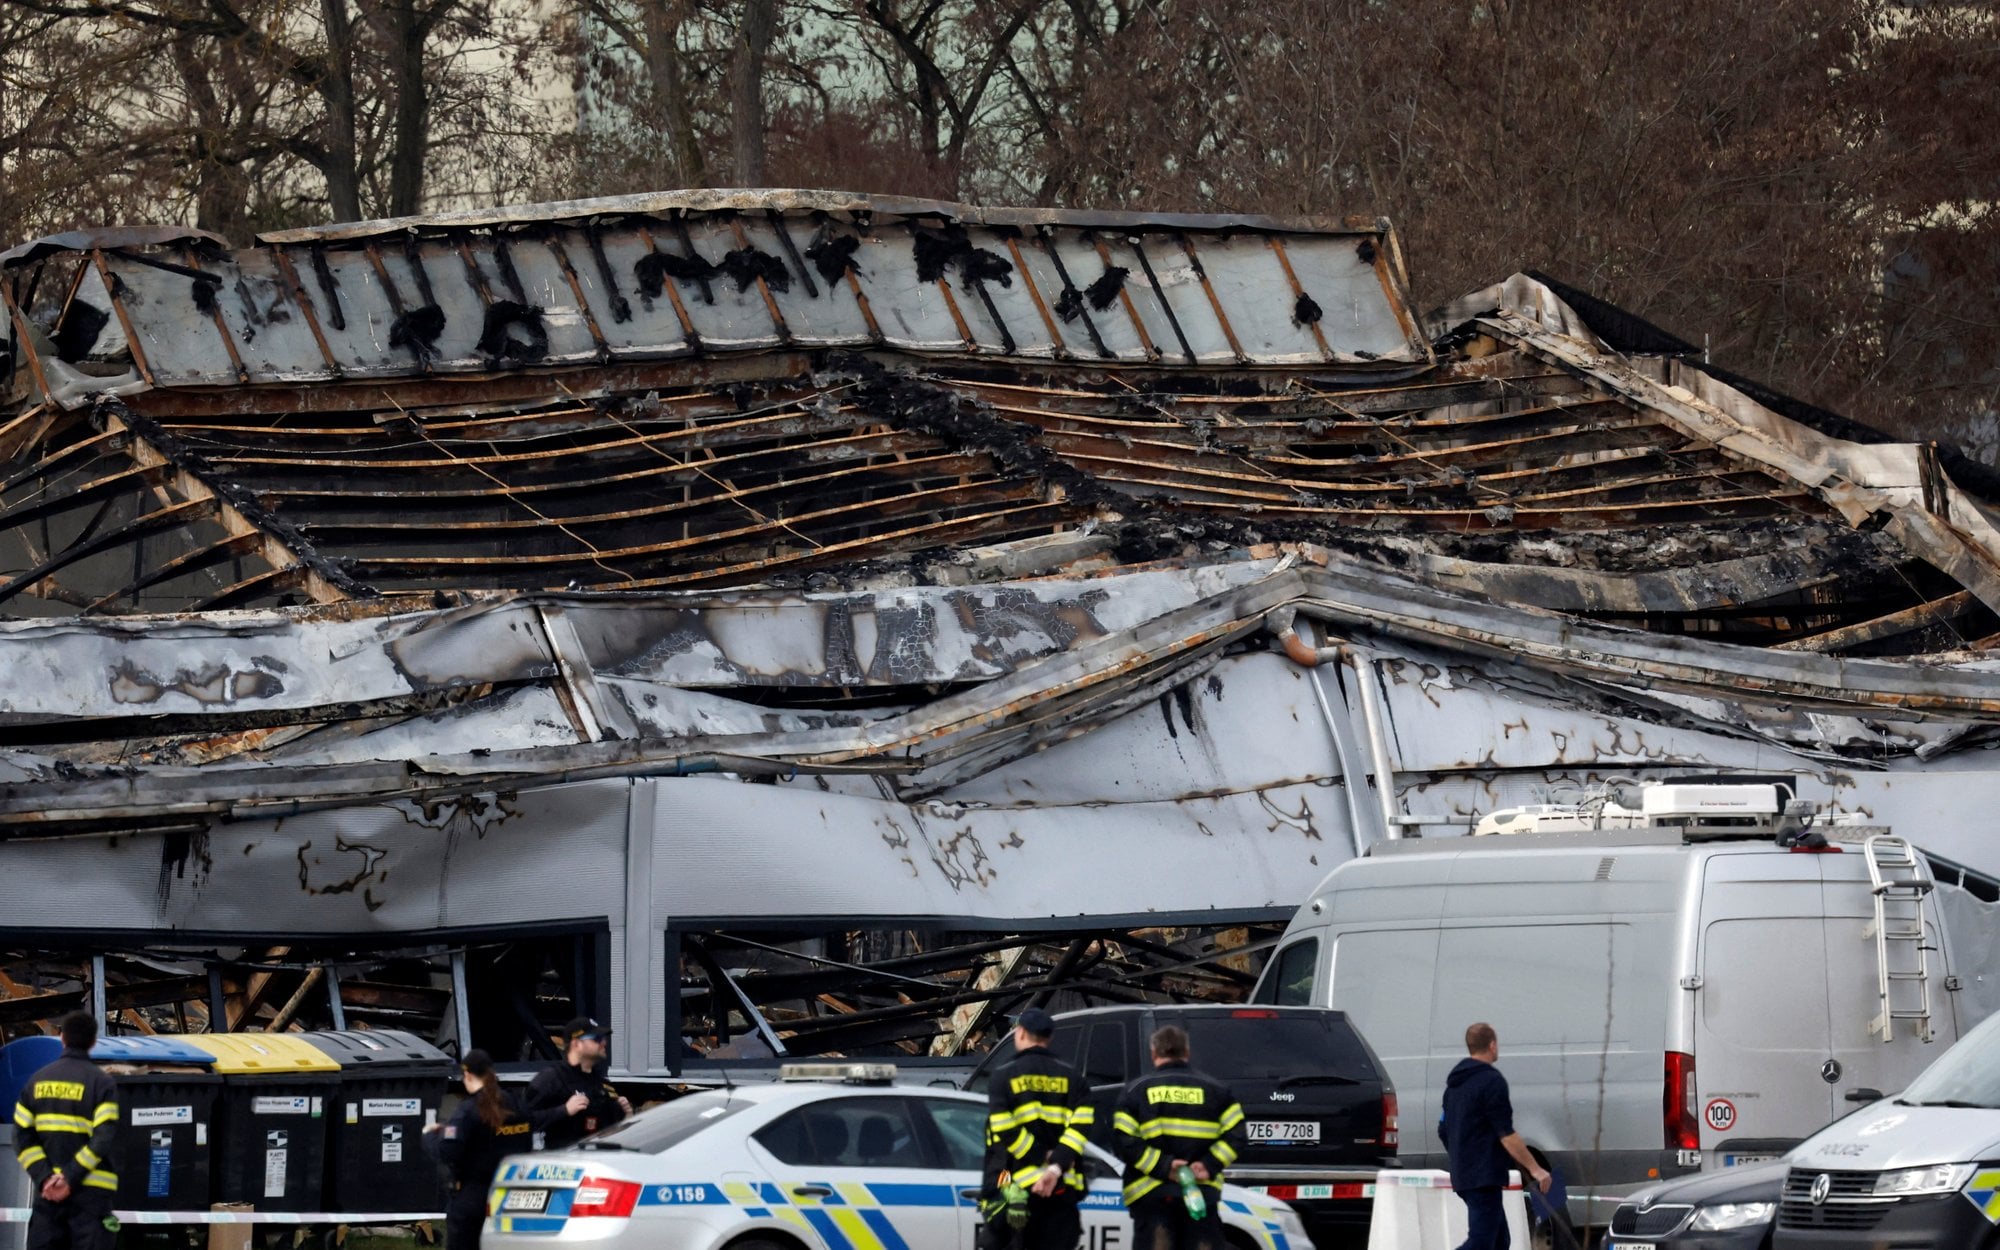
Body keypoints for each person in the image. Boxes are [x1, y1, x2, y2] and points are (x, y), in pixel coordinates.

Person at [1111, 1025, 1245, 1250]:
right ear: (1187, 1052)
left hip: (1152, 1195)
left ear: (1154, 1053)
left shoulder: (1136, 1092)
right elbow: (1237, 1136)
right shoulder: (1217, 1090)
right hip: (1201, 1195)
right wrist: (1207, 1164)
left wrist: (1165, 1166)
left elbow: (1124, 1142)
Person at [979, 1007, 1093, 1249]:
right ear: (1048, 1038)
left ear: (1020, 1033)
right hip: (1061, 1190)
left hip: (1016, 1191)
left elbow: (1003, 1128)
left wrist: (1040, 1156)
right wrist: (1054, 1167)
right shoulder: (1074, 1078)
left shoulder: (1003, 1077)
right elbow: (1080, 1130)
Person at [1440, 1023, 1553, 1250]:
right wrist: (1536, 1169)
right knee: (1481, 1242)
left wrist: (1462, 1155)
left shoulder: (1453, 1087)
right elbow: (1507, 1135)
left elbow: (1443, 1130)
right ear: (1492, 1045)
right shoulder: (1492, 1081)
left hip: (1463, 1174)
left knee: (1500, 1241)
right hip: (1483, 1176)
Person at [12, 1013, 119, 1250]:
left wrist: (45, 1178)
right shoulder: (101, 1084)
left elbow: (22, 1135)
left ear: (62, 1038)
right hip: (91, 1198)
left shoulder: (36, 1081)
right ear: (93, 1042)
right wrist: (70, 1177)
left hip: (49, 1198)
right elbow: (102, 1139)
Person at [425, 1050, 532, 1250]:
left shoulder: (468, 1110)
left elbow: (447, 1152)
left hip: (473, 1197)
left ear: (467, 1075)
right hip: (510, 1195)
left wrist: (429, 1136)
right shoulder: (515, 1102)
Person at [521, 1017, 631, 1150]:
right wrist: (564, 1110)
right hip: (563, 1162)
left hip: (597, 1161)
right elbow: (523, 1121)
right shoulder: (550, 1079)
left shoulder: (601, 1083)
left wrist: (625, 1114)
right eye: (596, 1038)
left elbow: (611, 1130)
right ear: (576, 1044)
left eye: (604, 1038)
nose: (604, 1043)